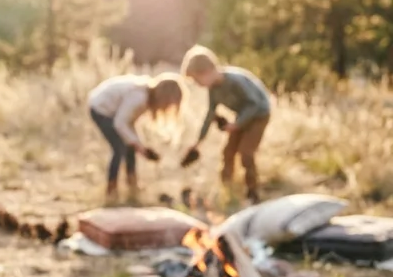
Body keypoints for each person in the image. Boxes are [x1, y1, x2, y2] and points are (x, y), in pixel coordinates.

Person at [179, 45, 271, 204]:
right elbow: (210, 114)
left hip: (259, 115)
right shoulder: (213, 89)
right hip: (241, 117)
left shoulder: (234, 81)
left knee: (246, 153)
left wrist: (237, 124)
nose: (197, 84)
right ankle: (227, 190)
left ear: (207, 72)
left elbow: (254, 104)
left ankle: (253, 192)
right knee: (228, 152)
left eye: (196, 79)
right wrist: (198, 142)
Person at [88, 72, 185, 201]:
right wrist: (140, 146)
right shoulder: (139, 97)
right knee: (119, 148)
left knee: (130, 145)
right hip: (100, 108)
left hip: (112, 112)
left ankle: (132, 185)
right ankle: (111, 190)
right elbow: (120, 123)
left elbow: (129, 124)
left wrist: (138, 145)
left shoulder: (146, 96)